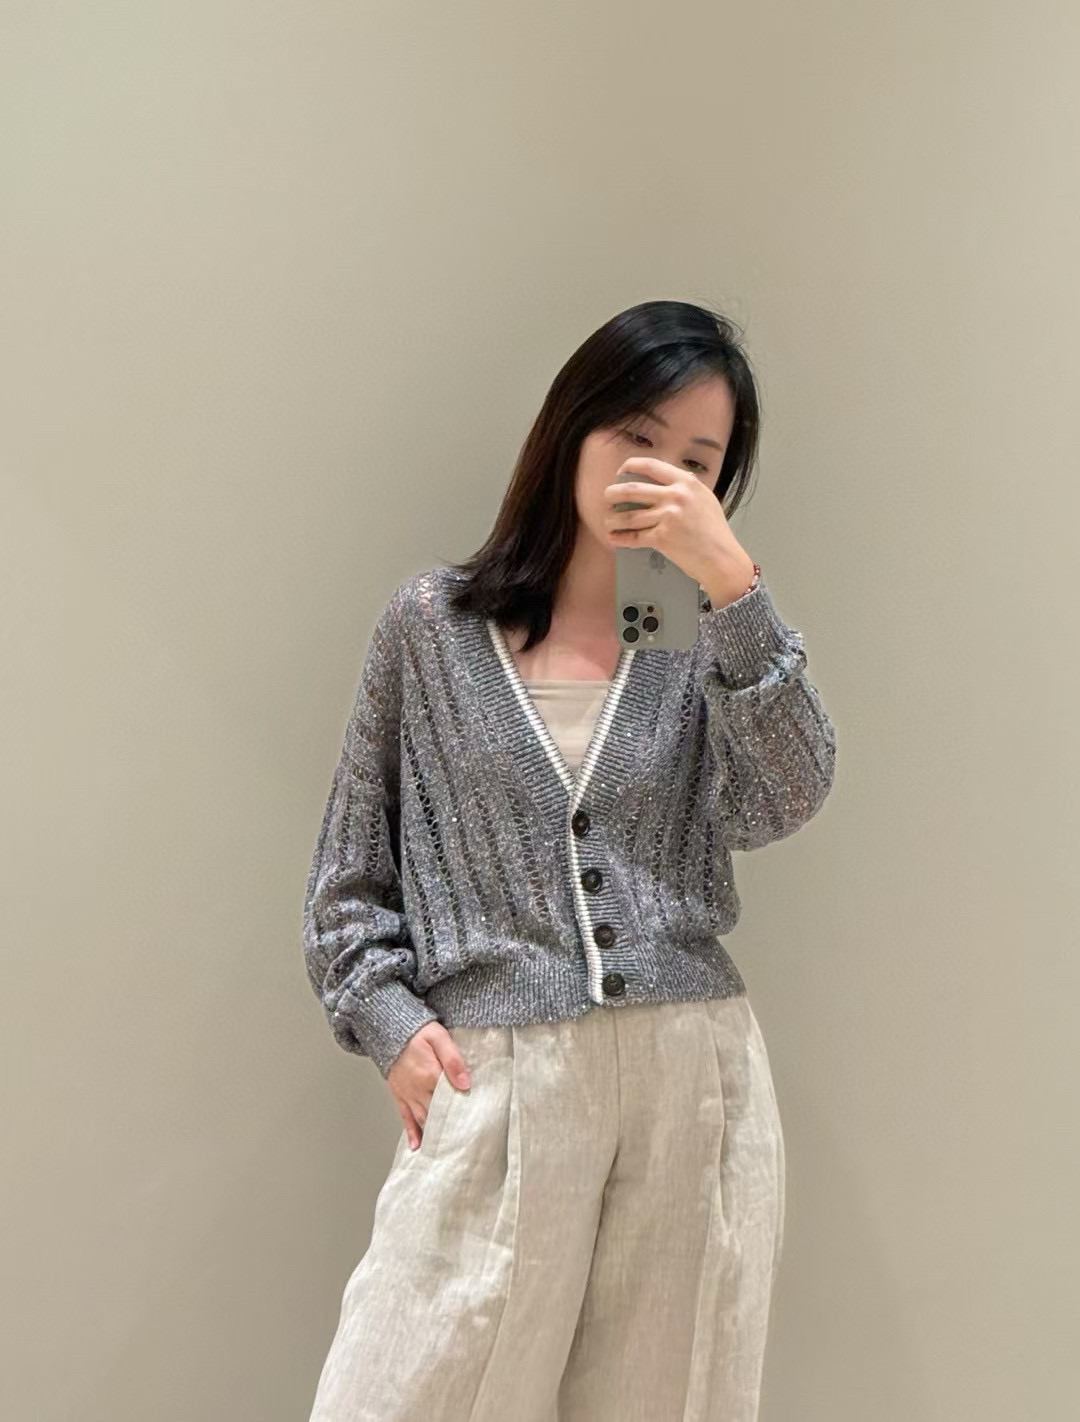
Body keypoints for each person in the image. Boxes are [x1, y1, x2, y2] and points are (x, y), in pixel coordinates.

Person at [301, 299, 837, 1421]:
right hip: (497, 1080)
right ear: (572, 428)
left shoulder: (679, 631)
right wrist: (394, 1026)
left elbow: (782, 799)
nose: (659, 474)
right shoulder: (434, 627)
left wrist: (735, 591)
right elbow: (348, 884)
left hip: (693, 1084)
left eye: (698, 462)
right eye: (637, 435)